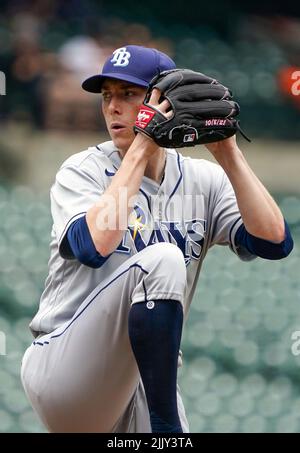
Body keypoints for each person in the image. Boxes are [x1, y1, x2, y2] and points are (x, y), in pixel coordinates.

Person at [21, 45, 293, 433]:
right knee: (163, 259)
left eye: (128, 94)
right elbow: (92, 247)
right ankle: (165, 427)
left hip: (142, 381)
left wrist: (228, 152)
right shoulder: (82, 170)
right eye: (106, 96)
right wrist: (144, 142)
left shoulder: (202, 180)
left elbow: (274, 242)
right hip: (66, 366)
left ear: (162, 100)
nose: (112, 107)